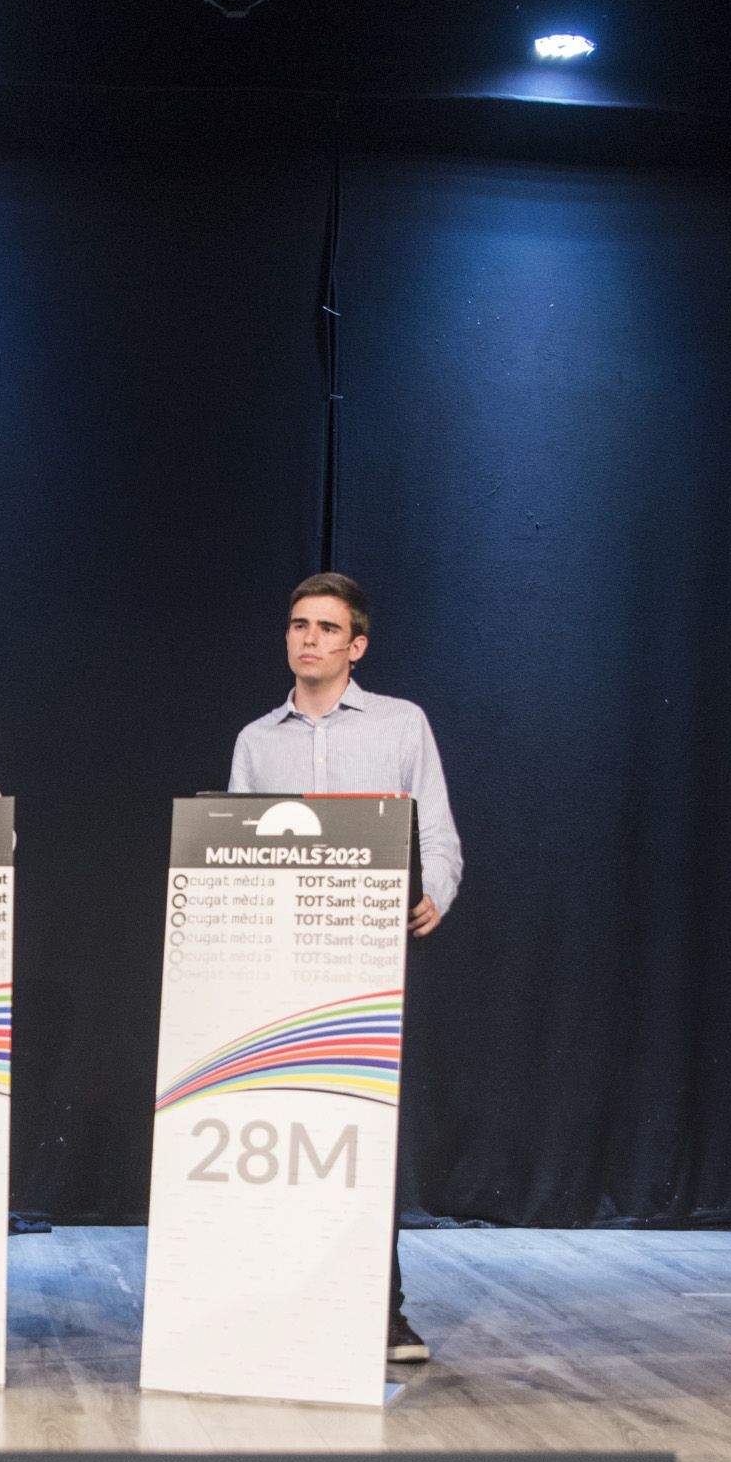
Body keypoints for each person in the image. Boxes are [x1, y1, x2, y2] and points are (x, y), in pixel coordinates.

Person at [225, 572, 461, 1358]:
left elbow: (436, 827)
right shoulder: (258, 739)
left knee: (364, 1126)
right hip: (281, 955)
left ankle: (380, 1308)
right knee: (288, 1124)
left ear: (355, 646)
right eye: (299, 624)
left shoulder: (399, 723)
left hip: (368, 952)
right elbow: (232, 840)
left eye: (327, 628)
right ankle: (280, 1298)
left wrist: (435, 889)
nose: (309, 639)